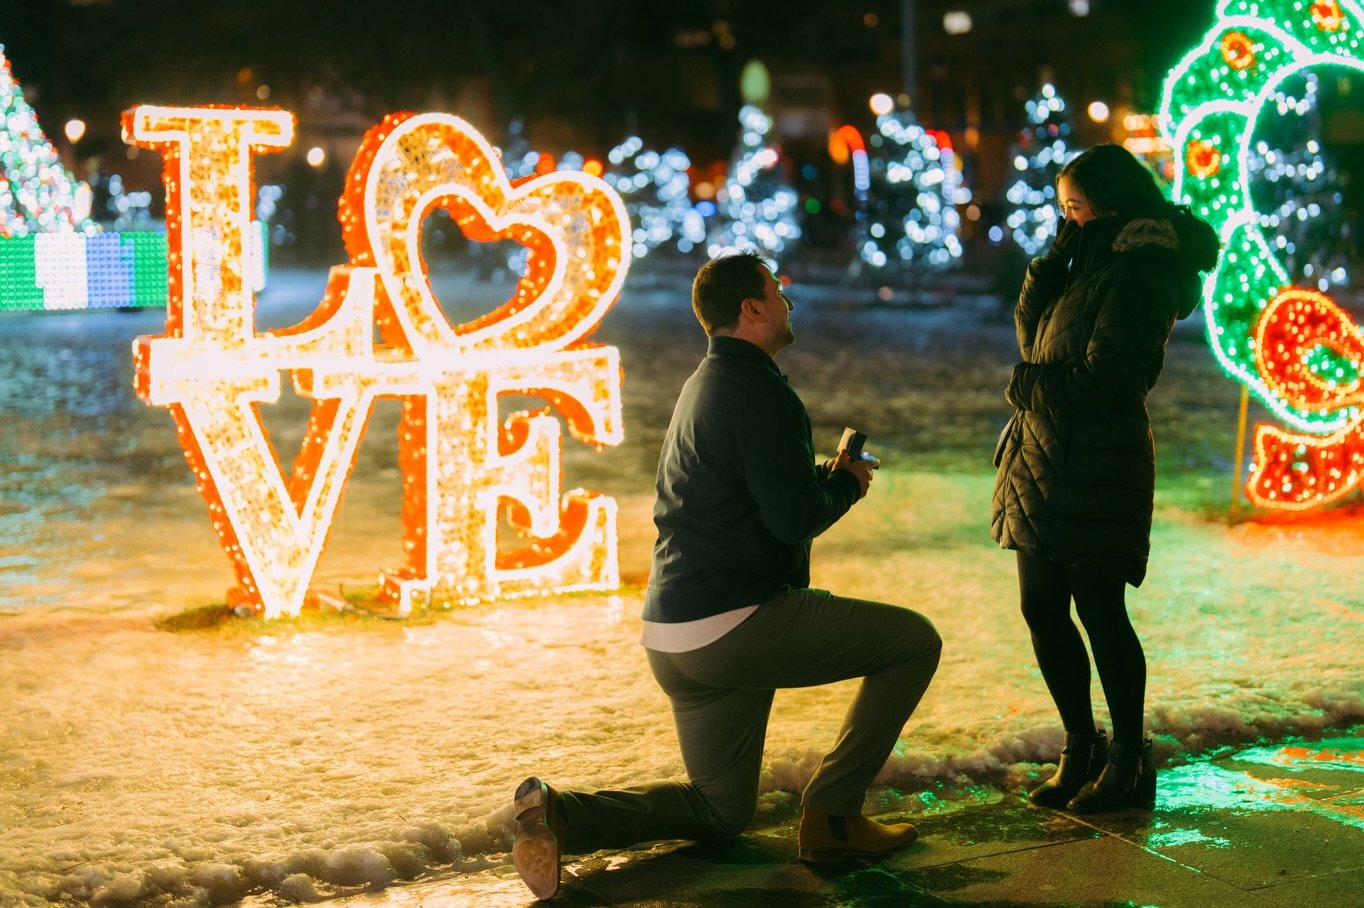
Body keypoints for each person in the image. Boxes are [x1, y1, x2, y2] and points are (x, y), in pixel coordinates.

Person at [512, 251, 943, 900]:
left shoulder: (702, 386)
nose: (787, 304)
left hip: (671, 632)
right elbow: (792, 518)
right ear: (751, 309)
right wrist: (848, 484)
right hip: (735, 624)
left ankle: (566, 816)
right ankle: (833, 816)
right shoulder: (763, 390)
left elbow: (748, 498)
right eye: (779, 294)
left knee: (722, 811)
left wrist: (819, 479)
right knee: (914, 643)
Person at [991, 144, 1220, 814]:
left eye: (1075, 208)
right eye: (1062, 210)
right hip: (1044, 456)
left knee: (1099, 610)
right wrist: (1050, 263)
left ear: (1111, 207)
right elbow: (1032, 338)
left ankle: (1129, 759)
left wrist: (1027, 386)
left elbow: (1113, 378)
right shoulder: (1085, 263)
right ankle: (1080, 745)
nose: (1067, 221)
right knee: (1041, 608)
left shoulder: (1142, 270)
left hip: (1097, 462)